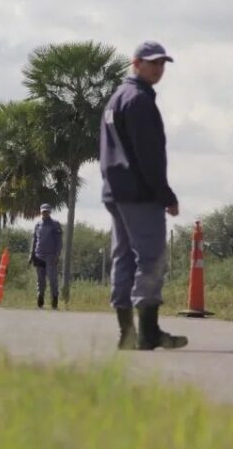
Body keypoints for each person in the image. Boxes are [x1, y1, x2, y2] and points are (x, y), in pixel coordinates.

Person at [99, 41, 187, 351]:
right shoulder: (138, 100)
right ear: (135, 63)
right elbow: (148, 156)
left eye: (162, 63)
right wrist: (166, 194)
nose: (158, 69)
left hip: (116, 191)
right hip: (138, 192)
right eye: (152, 63)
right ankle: (148, 332)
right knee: (150, 259)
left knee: (123, 257)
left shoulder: (117, 99)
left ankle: (127, 333)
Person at [29, 204, 62, 310]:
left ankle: (54, 300)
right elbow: (34, 240)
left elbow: (59, 241)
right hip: (39, 255)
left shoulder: (55, 224)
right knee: (40, 280)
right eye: (43, 211)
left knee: (52, 279)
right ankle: (40, 299)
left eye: (47, 211)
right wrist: (31, 254)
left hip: (50, 256)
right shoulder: (38, 225)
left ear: (50, 212)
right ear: (41, 212)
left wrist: (57, 255)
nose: (45, 213)